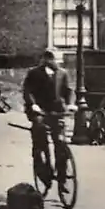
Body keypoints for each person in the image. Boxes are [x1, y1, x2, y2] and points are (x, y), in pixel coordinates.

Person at [23, 49, 74, 192]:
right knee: (40, 140)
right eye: (51, 60)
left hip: (56, 112)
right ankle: (44, 174)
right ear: (45, 60)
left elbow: (68, 91)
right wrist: (33, 104)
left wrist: (70, 104)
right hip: (39, 111)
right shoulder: (34, 73)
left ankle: (62, 179)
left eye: (57, 60)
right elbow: (28, 91)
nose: (54, 63)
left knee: (61, 144)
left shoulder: (62, 74)